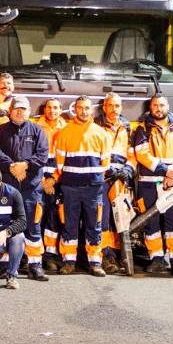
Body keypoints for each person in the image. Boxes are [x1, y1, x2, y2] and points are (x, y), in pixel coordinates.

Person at [0, 95, 50, 280]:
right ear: (10, 111)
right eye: (16, 109)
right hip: (7, 187)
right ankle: (5, 264)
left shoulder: (38, 131)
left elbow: (42, 155)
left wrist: (25, 165)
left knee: (32, 225)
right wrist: (11, 166)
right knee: (6, 224)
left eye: (23, 109)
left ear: (29, 112)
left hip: (31, 188)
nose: (20, 112)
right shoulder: (1, 131)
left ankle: (35, 264)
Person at [130, 94, 173, 274]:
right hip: (148, 183)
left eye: (162, 105)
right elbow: (142, 155)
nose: (159, 108)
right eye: (155, 105)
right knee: (151, 222)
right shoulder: (143, 129)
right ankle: (156, 259)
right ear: (150, 108)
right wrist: (167, 171)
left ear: (168, 106)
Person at [52, 96, 112, 276]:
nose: (83, 112)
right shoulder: (64, 132)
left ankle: (95, 262)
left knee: (94, 225)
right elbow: (59, 163)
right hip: (70, 187)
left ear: (91, 110)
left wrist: (92, 178)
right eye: (80, 108)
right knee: (69, 224)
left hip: (93, 188)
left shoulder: (101, 134)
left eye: (86, 108)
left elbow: (105, 164)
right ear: (74, 110)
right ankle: (69, 262)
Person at [96, 93, 135, 274]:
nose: (114, 110)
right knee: (102, 217)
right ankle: (106, 255)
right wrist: (107, 169)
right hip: (102, 177)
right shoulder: (96, 125)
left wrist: (128, 170)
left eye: (117, 106)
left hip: (121, 177)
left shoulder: (127, 127)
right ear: (104, 107)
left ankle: (118, 254)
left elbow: (133, 153)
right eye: (110, 106)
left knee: (118, 217)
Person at [34, 99, 67, 269]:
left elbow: (66, 159)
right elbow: (31, 156)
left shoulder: (67, 128)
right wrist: (41, 180)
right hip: (38, 179)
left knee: (54, 218)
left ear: (61, 110)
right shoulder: (35, 127)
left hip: (56, 180)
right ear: (44, 109)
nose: (52, 110)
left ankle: (51, 255)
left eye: (55, 107)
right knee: (37, 216)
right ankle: (34, 255)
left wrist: (53, 180)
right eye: (49, 107)